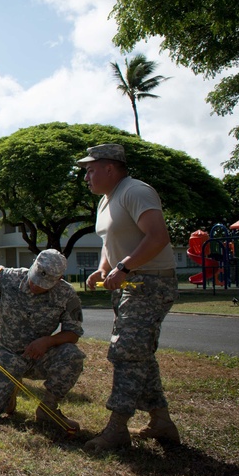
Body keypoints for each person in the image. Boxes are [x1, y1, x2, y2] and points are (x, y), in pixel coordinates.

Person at [79, 143, 180, 452]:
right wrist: (103, 267)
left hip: (150, 283)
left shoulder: (136, 191)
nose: (86, 177)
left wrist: (123, 267)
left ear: (110, 168)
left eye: (90, 169)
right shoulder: (106, 201)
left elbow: (158, 237)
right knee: (139, 354)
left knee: (125, 351)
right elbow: (110, 241)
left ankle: (117, 428)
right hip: (129, 283)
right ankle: (161, 421)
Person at [0, 249, 84, 433]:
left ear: (59, 279)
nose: (36, 286)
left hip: (37, 355)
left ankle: (48, 409)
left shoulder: (67, 295)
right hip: (3, 352)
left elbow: (73, 333)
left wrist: (46, 341)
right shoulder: (9, 277)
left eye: (44, 284)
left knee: (72, 355)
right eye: (35, 279)